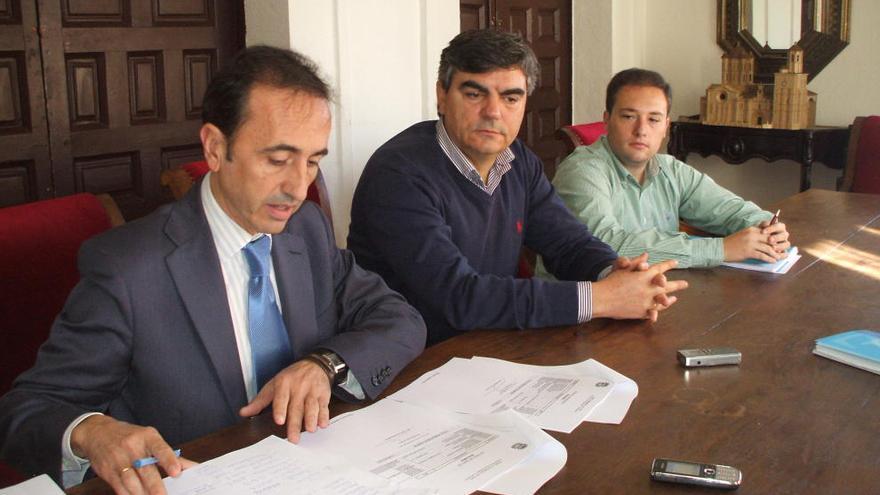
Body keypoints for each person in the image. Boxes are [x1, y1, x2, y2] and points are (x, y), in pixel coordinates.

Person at [0, 46, 426, 493]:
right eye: (278, 160)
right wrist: (92, 432)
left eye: (313, 161)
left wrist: (325, 364)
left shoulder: (306, 231)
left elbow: (398, 318)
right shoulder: (128, 269)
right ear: (216, 148)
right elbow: (28, 408)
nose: (299, 187)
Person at [347, 30, 687, 346]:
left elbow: (566, 243)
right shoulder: (398, 173)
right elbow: (458, 297)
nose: (493, 112)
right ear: (442, 95)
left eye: (511, 97)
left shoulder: (518, 161)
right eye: (474, 93)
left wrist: (617, 272)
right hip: (410, 360)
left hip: (491, 347)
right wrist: (603, 298)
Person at [537, 68, 791, 272]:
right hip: (583, 314)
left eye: (654, 119)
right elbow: (607, 245)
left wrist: (764, 227)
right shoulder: (582, 171)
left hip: (646, 300)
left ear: (666, 126)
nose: (642, 130)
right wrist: (721, 249)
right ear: (607, 119)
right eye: (628, 116)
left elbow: (729, 209)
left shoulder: (670, 170)